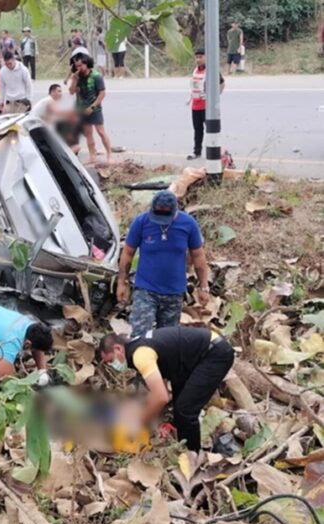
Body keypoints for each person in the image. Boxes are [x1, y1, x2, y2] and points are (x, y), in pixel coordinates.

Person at [98, 327, 234, 451]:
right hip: (191, 359)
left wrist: (139, 424)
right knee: (178, 397)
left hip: (214, 354)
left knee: (185, 409)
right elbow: (159, 389)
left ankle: (192, 455)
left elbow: (161, 396)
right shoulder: (138, 346)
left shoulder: (140, 355)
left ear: (118, 349)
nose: (113, 365)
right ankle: (180, 438)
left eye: (111, 361)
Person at [117, 190, 210, 337]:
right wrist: (121, 282)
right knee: (140, 336)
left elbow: (198, 256)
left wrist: (203, 286)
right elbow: (128, 253)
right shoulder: (141, 222)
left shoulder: (188, 224)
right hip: (146, 290)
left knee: (166, 340)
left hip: (174, 293)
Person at [69, 55, 112, 163]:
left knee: (101, 132)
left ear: (86, 64)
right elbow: (71, 91)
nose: (78, 68)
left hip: (94, 108)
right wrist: (74, 79)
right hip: (81, 109)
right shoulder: (77, 77)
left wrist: (93, 107)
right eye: (76, 65)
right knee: (88, 133)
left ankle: (110, 155)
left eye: (80, 65)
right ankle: (92, 156)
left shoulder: (96, 76)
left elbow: (102, 94)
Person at [188, 48, 225, 160]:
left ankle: (216, 152)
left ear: (206, 58)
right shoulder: (195, 70)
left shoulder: (211, 70)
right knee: (197, 131)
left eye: (201, 57)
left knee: (212, 130)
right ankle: (197, 152)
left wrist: (215, 97)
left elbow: (222, 83)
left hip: (207, 107)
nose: (198, 59)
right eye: (197, 57)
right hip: (195, 106)